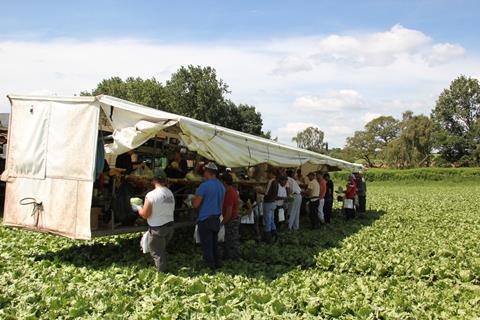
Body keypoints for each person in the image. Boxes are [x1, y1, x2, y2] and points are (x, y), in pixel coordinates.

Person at [137, 169, 175, 272]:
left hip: (158, 228)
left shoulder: (151, 195)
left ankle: (162, 274)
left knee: (157, 253)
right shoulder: (170, 193)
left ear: (154, 180)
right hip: (170, 227)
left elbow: (145, 214)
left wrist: (138, 207)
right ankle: (160, 266)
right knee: (161, 249)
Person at [192, 162, 225, 270]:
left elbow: (196, 204)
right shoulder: (221, 186)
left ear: (207, 172)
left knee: (207, 245)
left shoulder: (204, 186)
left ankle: (210, 267)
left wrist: (192, 199)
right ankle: (217, 264)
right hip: (216, 218)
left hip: (205, 219)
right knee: (214, 244)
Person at [220, 173, 240, 261]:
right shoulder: (230, 191)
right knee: (229, 240)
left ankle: (233, 259)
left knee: (230, 241)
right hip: (231, 219)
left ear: (224, 182)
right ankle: (230, 258)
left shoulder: (230, 193)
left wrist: (221, 223)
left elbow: (229, 213)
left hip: (231, 220)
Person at [262, 168, 279, 243]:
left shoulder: (271, 181)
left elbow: (266, 193)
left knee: (267, 221)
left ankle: (267, 238)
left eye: (268, 173)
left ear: (272, 173)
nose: (267, 174)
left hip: (268, 203)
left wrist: (259, 190)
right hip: (273, 202)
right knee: (271, 220)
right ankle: (274, 235)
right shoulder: (276, 182)